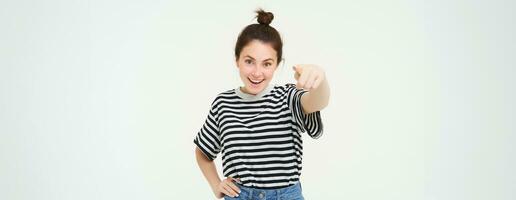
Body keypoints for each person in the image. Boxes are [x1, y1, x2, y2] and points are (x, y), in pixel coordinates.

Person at [194, 8, 330, 200]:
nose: (257, 73)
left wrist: (320, 78)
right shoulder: (223, 104)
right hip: (240, 196)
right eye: (249, 61)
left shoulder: (287, 97)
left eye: (266, 64)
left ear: (277, 65)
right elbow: (203, 151)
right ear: (237, 60)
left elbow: (316, 102)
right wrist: (216, 184)